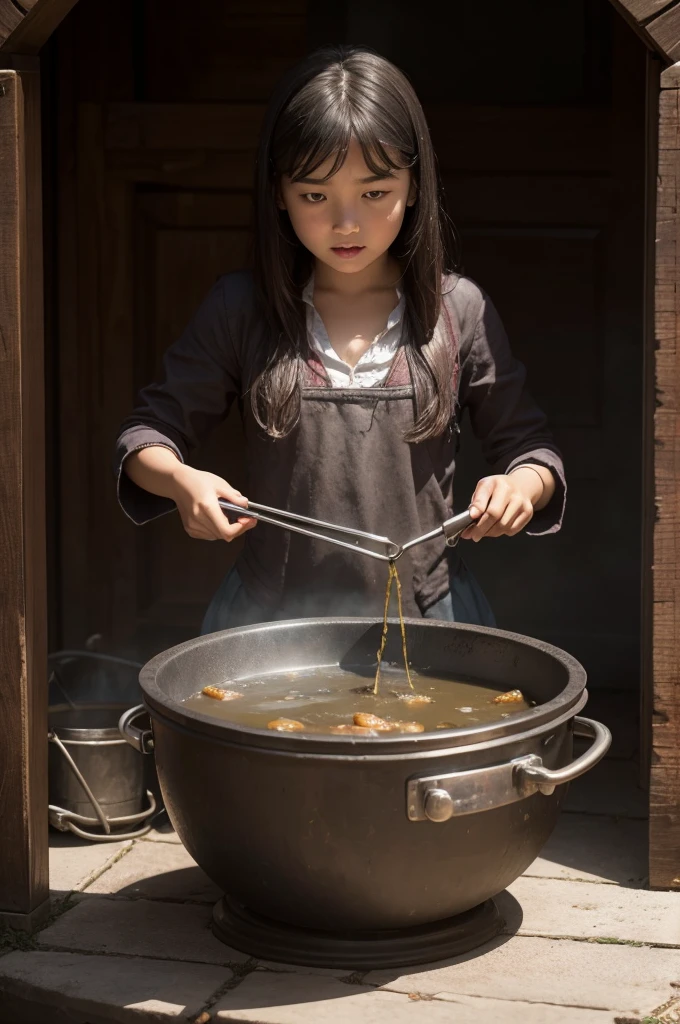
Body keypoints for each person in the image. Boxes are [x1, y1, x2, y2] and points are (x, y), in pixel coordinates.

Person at [114, 46, 565, 635]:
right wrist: (181, 483)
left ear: (414, 185)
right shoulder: (241, 308)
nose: (346, 223)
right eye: (315, 196)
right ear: (277, 192)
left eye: (375, 193)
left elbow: (533, 451)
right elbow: (146, 437)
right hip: (269, 628)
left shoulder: (460, 309)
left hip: (432, 623)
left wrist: (519, 487)